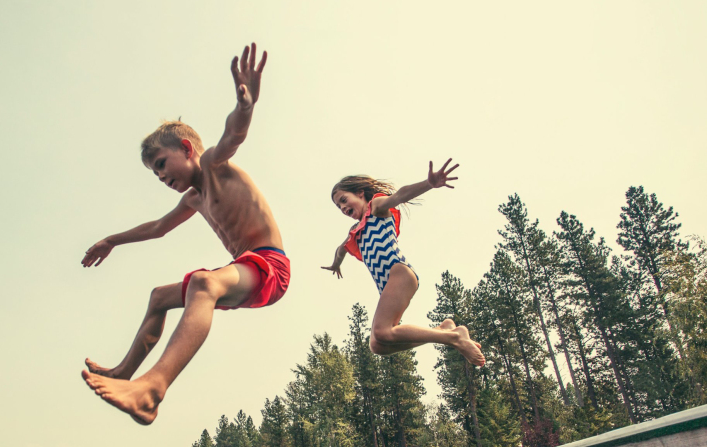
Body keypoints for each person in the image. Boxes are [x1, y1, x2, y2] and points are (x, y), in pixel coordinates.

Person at [80, 43, 289, 425]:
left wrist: (246, 106)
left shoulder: (213, 165)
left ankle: (152, 390)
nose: (162, 177)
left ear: (187, 148)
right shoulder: (194, 198)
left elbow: (233, 135)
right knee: (159, 297)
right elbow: (157, 228)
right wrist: (112, 240)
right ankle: (125, 373)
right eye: (155, 174)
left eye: (162, 165)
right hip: (243, 267)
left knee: (203, 285)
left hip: (269, 267)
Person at [322, 160, 485, 366]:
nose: (343, 207)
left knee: (381, 331)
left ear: (360, 193)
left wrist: (429, 183)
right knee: (378, 344)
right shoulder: (355, 232)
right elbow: (341, 249)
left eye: (344, 200)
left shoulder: (376, 208)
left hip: (398, 272)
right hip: (388, 284)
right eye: (339, 206)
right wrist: (336, 264)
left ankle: (455, 337)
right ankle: (442, 332)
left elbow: (399, 195)